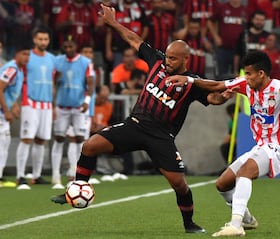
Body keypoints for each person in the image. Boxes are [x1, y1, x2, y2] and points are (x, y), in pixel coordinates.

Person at [51, 4, 230, 234]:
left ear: (187, 59)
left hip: (161, 137)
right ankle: (76, 190)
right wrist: (113, 23)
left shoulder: (192, 82)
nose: (168, 61)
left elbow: (214, 99)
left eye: (174, 59)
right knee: (90, 145)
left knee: (179, 184)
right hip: (134, 125)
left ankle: (189, 224)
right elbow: (133, 39)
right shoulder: (156, 60)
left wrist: (223, 97)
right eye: (168, 56)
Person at [166, 50, 280, 237]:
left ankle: (236, 224)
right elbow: (217, 85)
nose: (245, 78)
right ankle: (247, 219)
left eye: (248, 73)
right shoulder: (245, 84)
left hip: (279, 148)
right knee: (222, 184)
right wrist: (189, 80)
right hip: (261, 146)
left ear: (260, 74)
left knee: (245, 171)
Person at [51, 36, 95, 189]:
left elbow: (91, 83)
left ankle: (74, 173)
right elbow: (52, 83)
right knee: (59, 138)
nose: (68, 49)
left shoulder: (85, 62)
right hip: (62, 107)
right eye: (66, 46)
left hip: (78, 107)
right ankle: (55, 175)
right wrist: (52, 103)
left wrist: (87, 101)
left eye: (71, 46)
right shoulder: (58, 61)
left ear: (75, 46)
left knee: (79, 139)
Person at [15, 27, 56, 190]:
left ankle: (37, 175)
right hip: (30, 103)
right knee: (26, 139)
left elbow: (53, 82)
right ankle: (20, 176)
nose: (43, 42)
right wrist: (15, 102)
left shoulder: (52, 59)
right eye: (40, 39)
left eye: (45, 39)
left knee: (41, 140)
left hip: (46, 104)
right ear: (34, 40)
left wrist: (52, 105)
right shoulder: (27, 57)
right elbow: (19, 79)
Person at [0, 43, 31, 188]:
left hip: (3, 110)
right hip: (0, 112)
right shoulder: (11, 68)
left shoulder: (19, 69)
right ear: (16, 54)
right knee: (2, 143)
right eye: (24, 54)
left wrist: (14, 105)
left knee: (4, 143)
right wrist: (6, 110)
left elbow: (9, 91)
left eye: (28, 54)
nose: (26, 57)